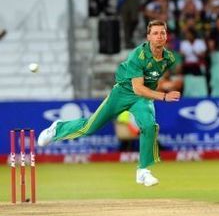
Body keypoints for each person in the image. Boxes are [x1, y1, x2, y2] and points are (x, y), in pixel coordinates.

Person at [37, 20, 181, 187]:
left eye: (162, 33)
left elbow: (154, 76)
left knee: (149, 126)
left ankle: (143, 171)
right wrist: (163, 95)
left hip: (142, 98)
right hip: (123, 93)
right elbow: (138, 88)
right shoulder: (138, 55)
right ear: (148, 36)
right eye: (155, 33)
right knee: (89, 128)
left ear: (166, 36)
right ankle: (58, 129)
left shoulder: (169, 58)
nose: (159, 37)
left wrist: (166, 85)